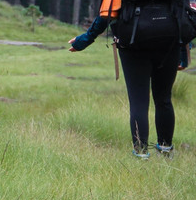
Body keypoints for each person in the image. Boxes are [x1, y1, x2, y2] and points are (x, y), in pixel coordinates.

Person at [69, 13, 185, 159]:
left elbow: (107, 12)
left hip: (132, 45)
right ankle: (166, 150)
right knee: (164, 99)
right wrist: (184, 51)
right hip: (169, 44)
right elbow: (183, 11)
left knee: (138, 102)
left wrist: (84, 40)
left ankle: (141, 154)